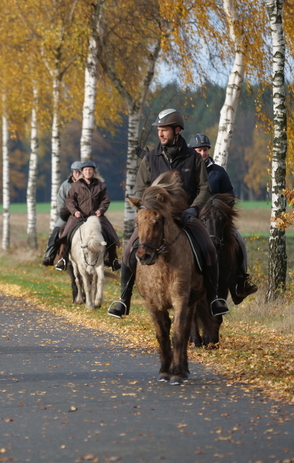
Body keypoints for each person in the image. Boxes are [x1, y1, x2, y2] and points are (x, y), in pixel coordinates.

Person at [108, 109, 229, 319]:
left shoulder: (193, 158)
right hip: (154, 219)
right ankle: (123, 299)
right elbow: (139, 189)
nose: (160, 134)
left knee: (209, 247)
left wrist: (194, 209)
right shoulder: (150, 159)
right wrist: (148, 208)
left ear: (177, 130)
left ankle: (214, 299)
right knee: (128, 251)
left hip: (185, 217)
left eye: (164, 130)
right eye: (159, 130)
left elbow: (204, 189)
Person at [188, 133, 257, 303]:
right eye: (198, 150)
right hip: (193, 219)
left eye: (204, 150)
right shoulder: (187, 172)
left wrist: (221, 210)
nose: (202, 153)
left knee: (238, 240)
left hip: (217, 221)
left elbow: (230, 195)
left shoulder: (218, 172)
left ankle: (240, 282)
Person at [54, 160, 121, 272]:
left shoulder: (101, 186)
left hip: (96, 216)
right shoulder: (75, 186)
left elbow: (105, 200)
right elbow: (70, 200)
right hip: (78, 216)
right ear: (82, 172)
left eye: (90, 170)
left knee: (110, 232)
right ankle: (62, 259)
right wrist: (75, 211)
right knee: (65, 233)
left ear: (94, 172)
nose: (88, 172)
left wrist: (101, 210)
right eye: (86, 170)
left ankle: (113, 259)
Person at [41, 160, 83, 266]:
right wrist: (69, 212)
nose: (77, 174)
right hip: (67, 215)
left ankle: (109, 257)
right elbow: (60, 202)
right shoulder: (65, 185)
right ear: (72, 172)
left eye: (79, 172)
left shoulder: (87, 184)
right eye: (75, 172)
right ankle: (49, 256)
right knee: (56, 232)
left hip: (84, 215)